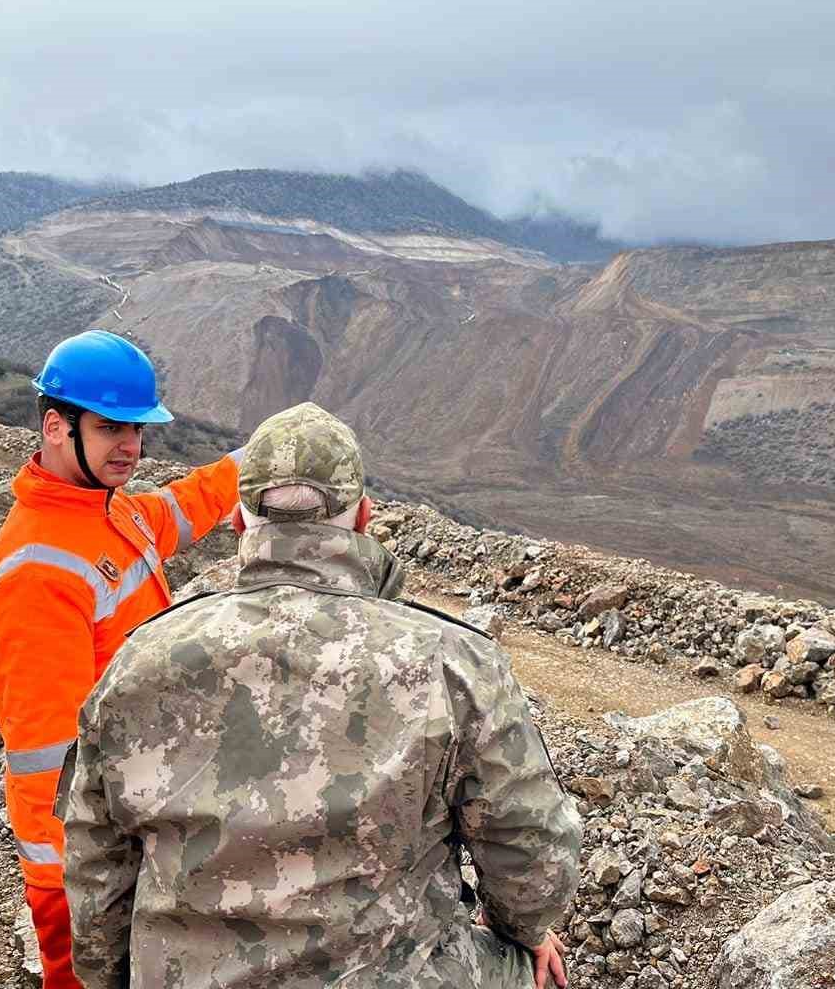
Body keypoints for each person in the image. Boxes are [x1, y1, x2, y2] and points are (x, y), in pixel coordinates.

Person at [59, 401, 582, 989]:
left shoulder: (140, 660)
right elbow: (533, 852)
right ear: (363, 517)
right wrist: (525, 930)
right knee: (530, 970)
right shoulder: (455, 664)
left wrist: (107, 978)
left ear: (238, 522)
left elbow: (96, 865)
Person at [0, 330, 242, 989]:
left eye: (138, 429)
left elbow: (181, 507)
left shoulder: (105, 514)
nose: (132, 446)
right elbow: (50, 766)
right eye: (113, 427)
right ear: (57, 427)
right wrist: (80, 902)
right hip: (88, 873)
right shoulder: (33, 575)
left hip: (142, 822)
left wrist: (261, 460)